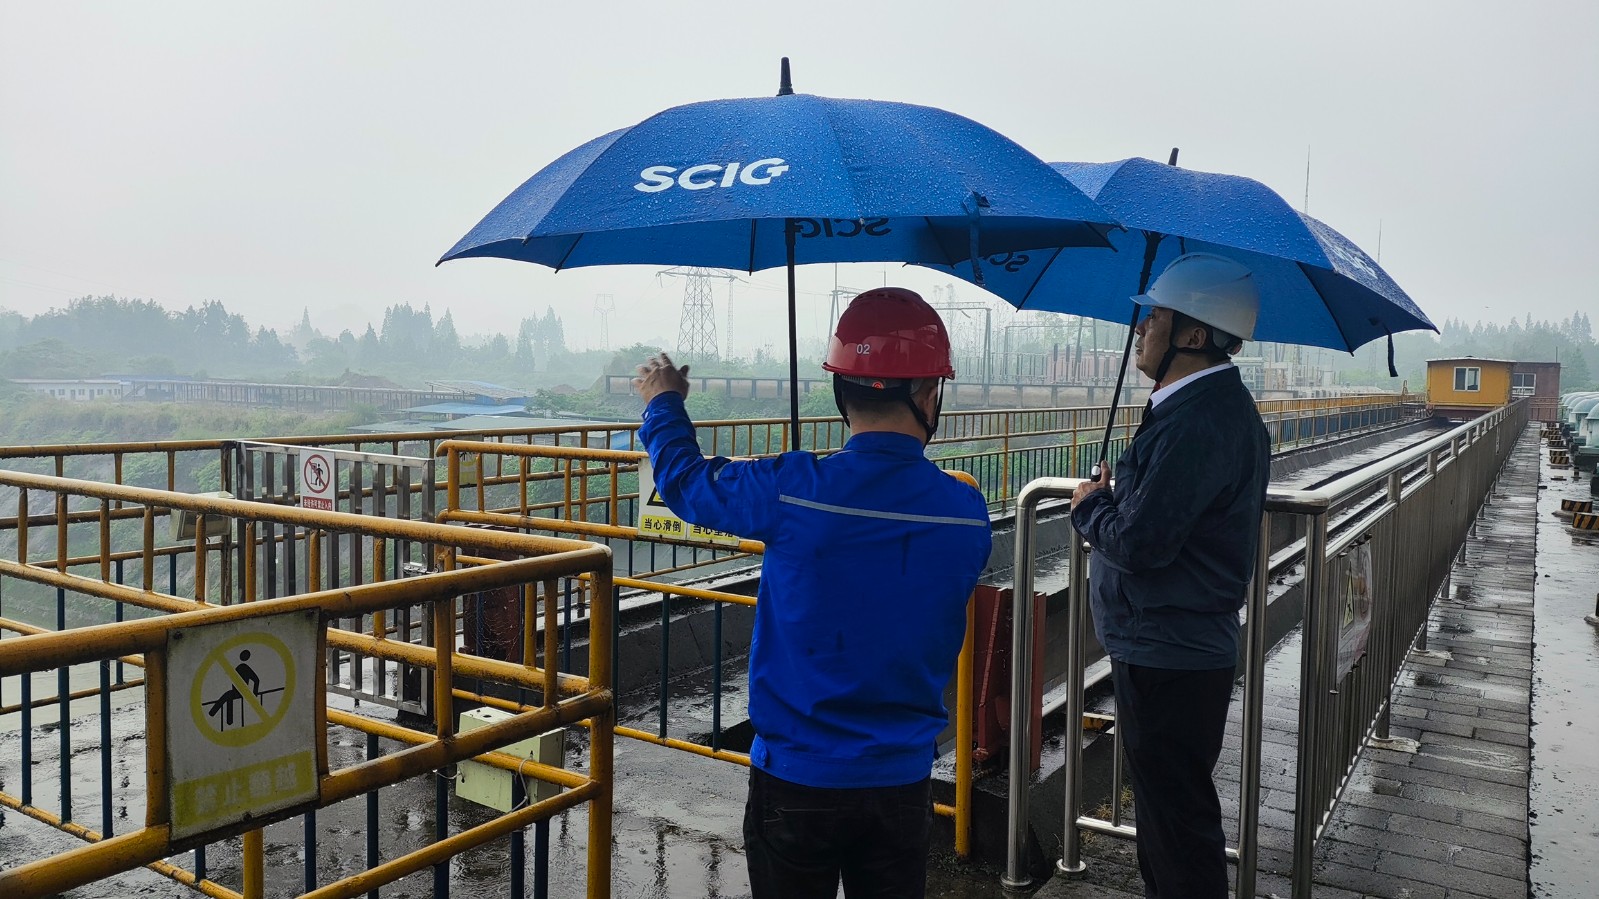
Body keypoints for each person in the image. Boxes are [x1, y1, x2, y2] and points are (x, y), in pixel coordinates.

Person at [633, 288, 992, 899]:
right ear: (929, 392)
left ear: (841, 390)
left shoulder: (793, 488)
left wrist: (664, 402)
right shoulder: (965, 514)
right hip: (901, 784)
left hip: (795, 781)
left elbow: (688, 484)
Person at [1069, 253, 1270, 899]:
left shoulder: (1198, 422)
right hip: (1169, 642)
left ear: (1192, 333)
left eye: (1153, 317)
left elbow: (1141, 542)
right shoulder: (1197, 410)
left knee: (1176, 828)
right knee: (1168, 819)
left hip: (1168, 649)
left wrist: (1089, 507)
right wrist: (1117, 498)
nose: (1141, 329)